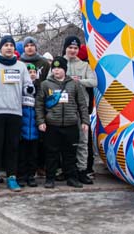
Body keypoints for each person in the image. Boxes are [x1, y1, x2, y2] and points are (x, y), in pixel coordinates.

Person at [0, 35, 34, 193]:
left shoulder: (21, 66)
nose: (9, 48)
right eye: (6, 45)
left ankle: (12, 176)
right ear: (1, 48)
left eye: (11, 45)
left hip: (15, 111)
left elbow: (28, 86)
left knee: (13, 146)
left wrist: (30, 88)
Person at [36, 56, 90, 189]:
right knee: (51, 153)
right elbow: (39, 104)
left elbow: (82, 104)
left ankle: (72, 178)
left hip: (71, 124)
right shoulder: (45, 84)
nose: (56, 71)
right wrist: (41, 121)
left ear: (65, 69)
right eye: (54, 68)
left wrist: (85, 121)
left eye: (59, 68)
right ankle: (50, 178)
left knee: (70, 153)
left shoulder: (74, 84)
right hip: (52, 125)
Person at [60, 36, 97, 185]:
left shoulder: (84, 65)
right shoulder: (59, 62)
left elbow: (94, 81)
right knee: (65, 142)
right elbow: (49, 81)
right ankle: (66, 171)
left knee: (82, 141)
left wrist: (79, 81)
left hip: (81, 109)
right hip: (63, 109)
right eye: (70, 47)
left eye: (75, 48)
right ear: (65, 48)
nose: (72, 50)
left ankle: (82, 170)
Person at [18, 63, 40, 188]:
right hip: (22, 126)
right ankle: (21, 175)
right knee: (21, 154)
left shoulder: (40, 87)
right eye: (29, 72)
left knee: (33, 154)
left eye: (34, 72)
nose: (32, 75)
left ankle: (31, 175)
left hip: (35, 127)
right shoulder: (19, 87)